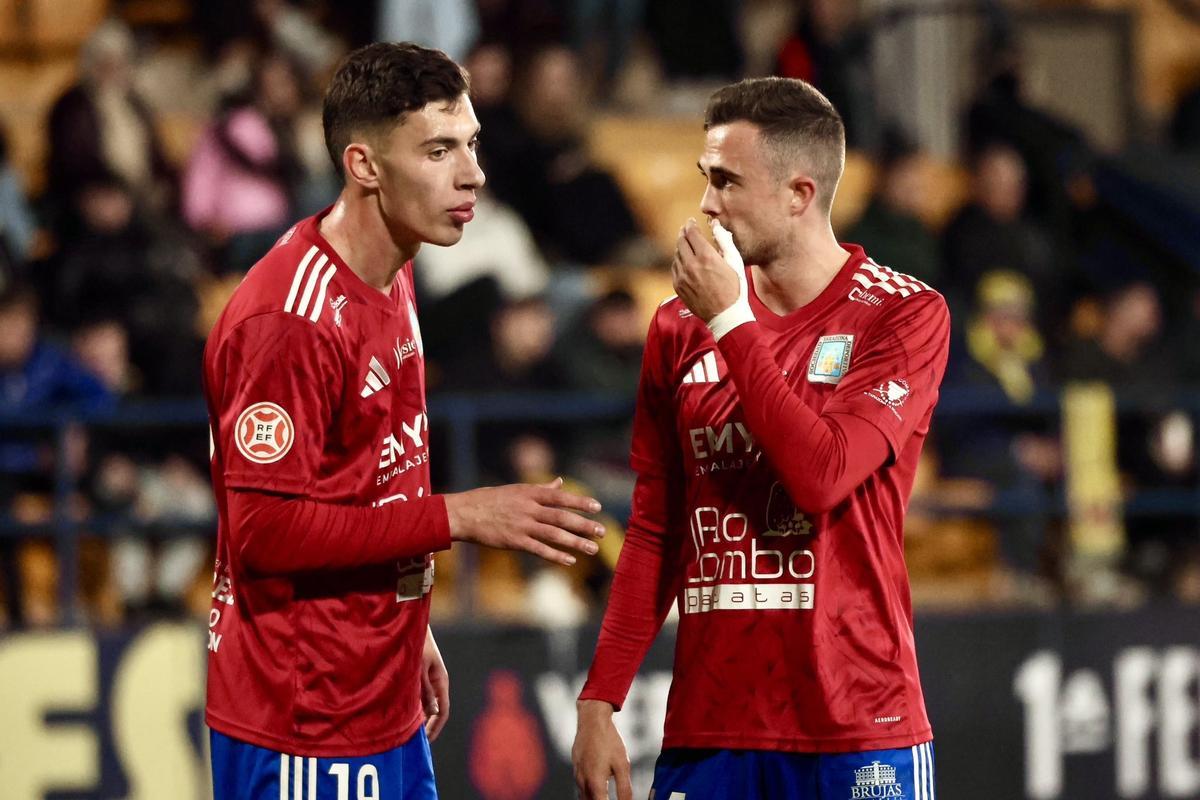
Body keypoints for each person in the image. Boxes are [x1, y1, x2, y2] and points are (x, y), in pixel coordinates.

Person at [203, 42, 605, 800]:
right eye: (439, 150)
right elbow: (264, 534)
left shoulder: (395, 268)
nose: (473, 174)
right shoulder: (287, 320)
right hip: (303, 721)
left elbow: (369, 477)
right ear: (364, 166)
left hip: (378, 694)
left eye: (473, 145)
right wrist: (457, 515)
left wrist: (408, 625)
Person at [572, 77, 950, 799]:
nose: (707, 204)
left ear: (799, 195)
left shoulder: (902, 317)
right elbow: (657, 525)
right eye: (704, 179)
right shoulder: (677, 327)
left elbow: (822, 474)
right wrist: (600, 699)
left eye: (727, 181)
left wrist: (730, 323)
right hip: (710, 730)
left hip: (854, 726)